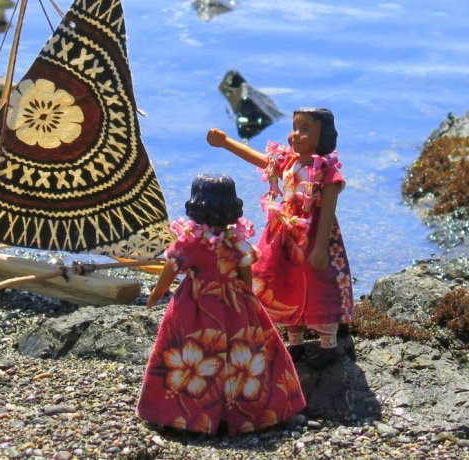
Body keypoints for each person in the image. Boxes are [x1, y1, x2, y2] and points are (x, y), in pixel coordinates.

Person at [136, 174, 306, 436]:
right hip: (235, 303)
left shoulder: (190, 243)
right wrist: (248, 300)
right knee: (244, 354)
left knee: (190, 353)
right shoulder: (237, 242)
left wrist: (157, 294)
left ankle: (184, 413)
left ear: (196, 205)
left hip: (195, 302)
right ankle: (245, 412)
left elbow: (171, 269)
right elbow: (246, 277)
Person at [206, 108, 354, 369]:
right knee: (282, 280)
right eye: (295, 127)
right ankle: (294, 340)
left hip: (313, 235)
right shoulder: (288, 162)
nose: (296, 135)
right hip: (282, 233)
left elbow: (329, 213)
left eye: (306, 129)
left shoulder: (327, 174)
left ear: (324, 136)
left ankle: (328, 343)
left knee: (318, 283)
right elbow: (260, 160)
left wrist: (320, 248)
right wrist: (226, 142)